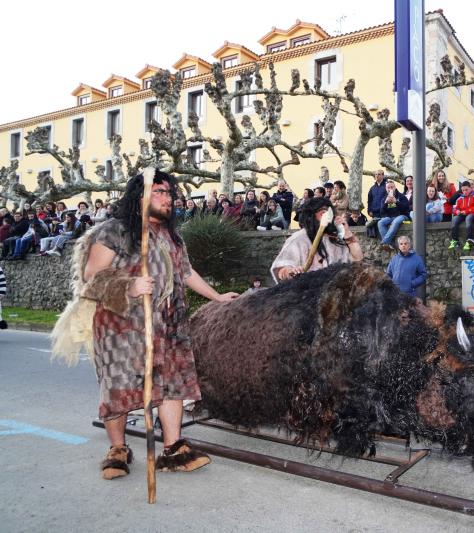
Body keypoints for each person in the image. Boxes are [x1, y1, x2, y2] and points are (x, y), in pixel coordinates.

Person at [55, 170, 238, 479]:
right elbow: (92, 275)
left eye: (169, 194)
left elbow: (186, 272)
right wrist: (129, 285)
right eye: (159, 192)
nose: (167, 199)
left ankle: (173, 448)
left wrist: (218, 297)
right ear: (139, 197)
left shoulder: (173, 236)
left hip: (168, 325)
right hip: (121, 328)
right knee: (120, 388)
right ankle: (118, 449)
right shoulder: (113, 231)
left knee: (172, 386)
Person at [271, 197, 363, 282]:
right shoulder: (298, 239)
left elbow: (357, 261)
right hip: (307, 294)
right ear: (311, 216)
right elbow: (280, 269)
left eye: (328, 211)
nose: (327, 215)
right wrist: (290, 271)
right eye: (322, 212)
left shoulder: (334, 240)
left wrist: (347, 234)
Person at [447, 180, 474, 251]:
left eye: (466, 190)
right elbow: (454, 209)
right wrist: (457, 211)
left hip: (471, 213)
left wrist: (466, 211)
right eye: (463, 190)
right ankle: (455, 240)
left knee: (468, 220)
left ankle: (469, 241)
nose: (465, 192)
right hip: (462, 214)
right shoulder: (460, 198)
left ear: (470, 188)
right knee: (454, 219)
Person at [378, 180, 411, 251]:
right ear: (386, 189)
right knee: (380, 222)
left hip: (402, 216)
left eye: (391, 187)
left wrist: (396, 202)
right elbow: (382, 213)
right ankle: (391, 244)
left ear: (395, 187)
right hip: (390, 217)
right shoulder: (384, 198)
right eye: (388, 187)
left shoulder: (401, 196)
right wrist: (385, 203)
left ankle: (384, 243)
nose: (390, 189)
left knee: (395, 221)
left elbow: (406, 208)